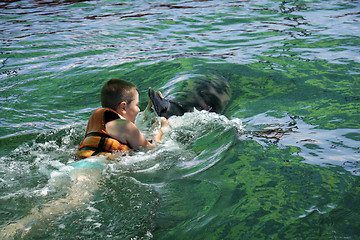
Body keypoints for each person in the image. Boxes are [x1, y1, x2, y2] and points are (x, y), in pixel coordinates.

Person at [76, 78, 169, 159]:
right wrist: (162, 128)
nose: (139, 109)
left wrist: (151, 105)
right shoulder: (126, 126)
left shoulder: (98, 122)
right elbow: (152, 150)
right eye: (137, 105)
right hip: (98, 170)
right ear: (123, 107)